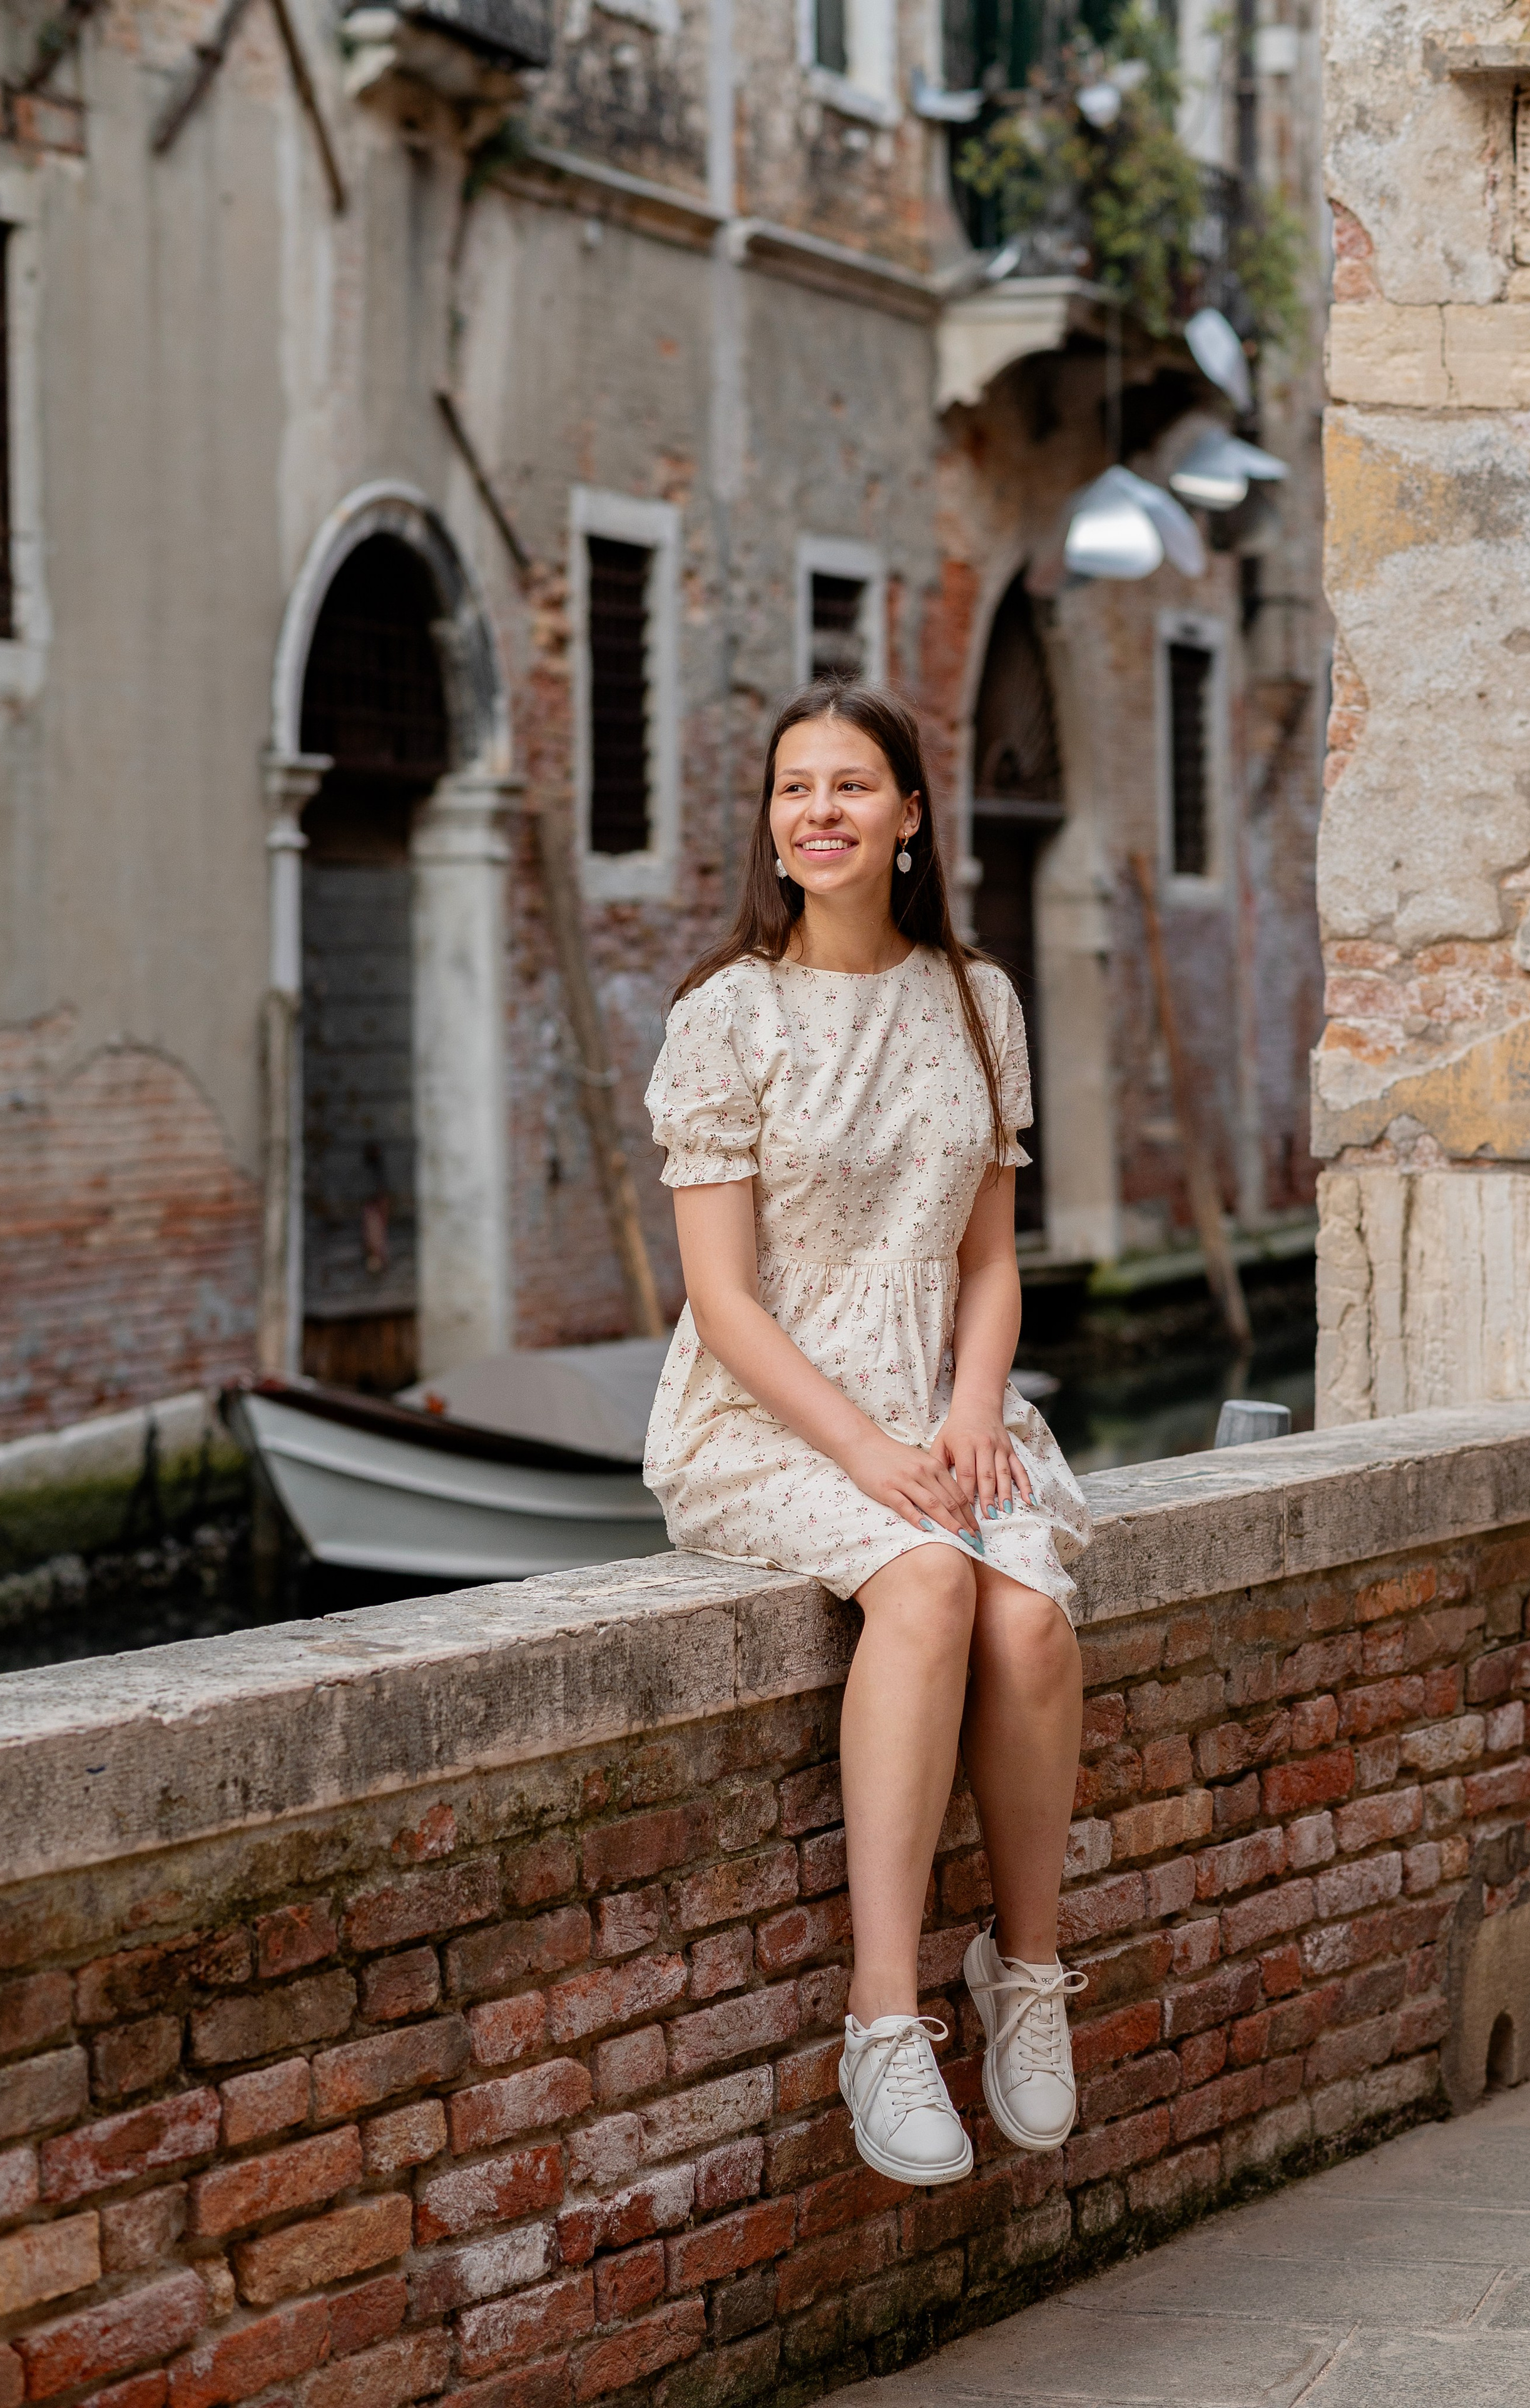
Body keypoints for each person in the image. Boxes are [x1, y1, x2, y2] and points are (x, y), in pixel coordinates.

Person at [643, 680, 1094, 2188]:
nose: (817, 813)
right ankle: (881, 2016)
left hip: (934, 1392)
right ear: (769, 825)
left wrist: (970, 1412)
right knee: (928, 1581)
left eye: (850, 786)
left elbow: (986, 1258)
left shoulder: (977, 998)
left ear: (909, 818)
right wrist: (866, 1452)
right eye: (791, 789)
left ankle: (1022, 1976)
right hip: (766, 1413)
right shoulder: (726, 1018)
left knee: (1029, 1621)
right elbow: (718, 1297)